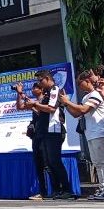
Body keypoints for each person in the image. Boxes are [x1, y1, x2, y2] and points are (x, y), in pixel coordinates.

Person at [60, 72, 104, 200]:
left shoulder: (96, 94)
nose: (79, 86)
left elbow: (84, 109)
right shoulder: (86, 97)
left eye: (80, 83)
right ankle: (102, 188)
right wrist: (66, 104)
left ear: (87, 81)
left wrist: (68, 101)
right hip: (91, 132)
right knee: (97, 162)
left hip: (101, 131)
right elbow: (76, 114)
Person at [32, 70, 73, 200]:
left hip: (54, 130)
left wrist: (35, 104)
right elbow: (42, 111)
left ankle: (67, 189)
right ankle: (56, 190)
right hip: (45, 131)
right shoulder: (46, 93)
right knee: (49, 162)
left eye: (41, 80)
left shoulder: (55, 89)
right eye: (38, 81)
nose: (40, 83)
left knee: (55, 161)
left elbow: (51, 108)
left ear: (48, 78)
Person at [16, 81, 50, 199]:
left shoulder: (45, 100)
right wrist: (18, 94)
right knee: (39, 165)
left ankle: (55, 190)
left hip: (45, 135)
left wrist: (23, 95)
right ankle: (42, 192)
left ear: (41, 89)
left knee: (47, 165)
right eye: (33, 88)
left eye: (36, 87)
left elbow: (42, 113)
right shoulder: (34, 102)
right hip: (36, 135)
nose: (33, 89)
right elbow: (20, 107)